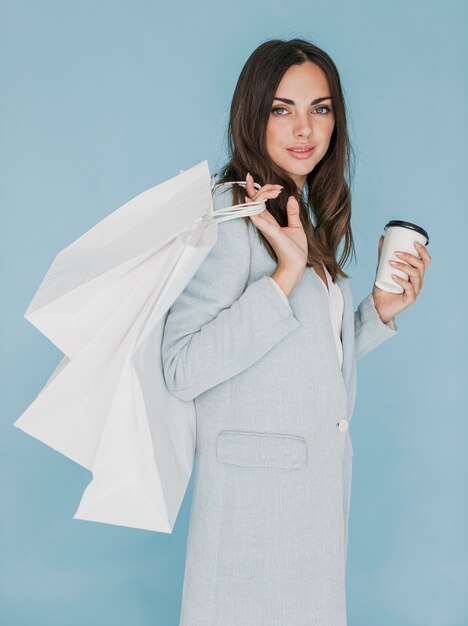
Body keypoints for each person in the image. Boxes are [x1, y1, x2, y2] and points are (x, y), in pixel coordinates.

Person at [161, 38, 431, 626]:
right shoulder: (232, 215)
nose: (304, 127)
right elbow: (182, 369)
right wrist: (285, 274)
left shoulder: (294, 211)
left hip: (308, 502)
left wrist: (377, 311)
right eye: (282, 109)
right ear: (251, 114)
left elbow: (295, 364)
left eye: (321, 107)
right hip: (254, 515)